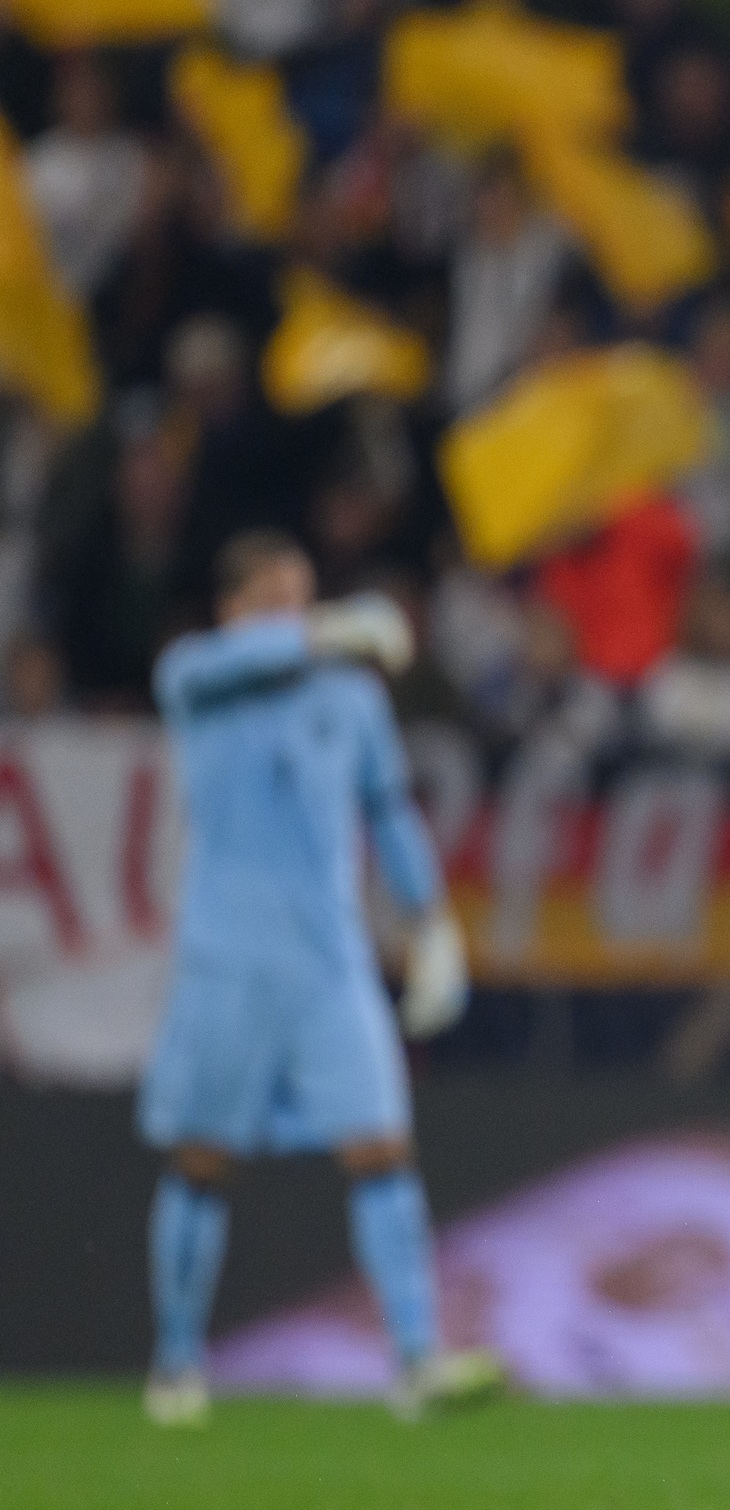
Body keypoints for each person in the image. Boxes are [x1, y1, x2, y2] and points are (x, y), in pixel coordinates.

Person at [136, 531, 506, 1427]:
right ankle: (177, 1359)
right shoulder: (198, 679)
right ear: (231, 609)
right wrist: (330, 630)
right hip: (227, 958)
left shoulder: (350, 696)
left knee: (381, 1147)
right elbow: (234, 659)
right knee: (203, 1161)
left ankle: (416, 1358)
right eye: (273, 600)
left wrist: (429, 923)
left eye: (301, 599)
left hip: (331, 960)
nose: (295, 619)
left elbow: (387, 809)